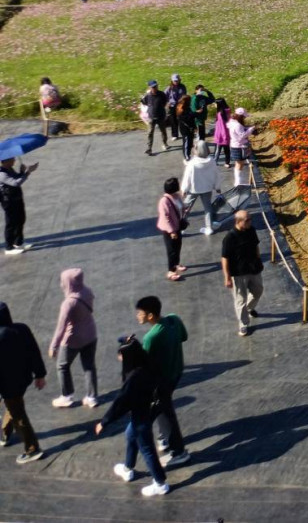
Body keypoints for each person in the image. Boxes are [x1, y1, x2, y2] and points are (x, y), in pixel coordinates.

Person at [94, 340, 169, 496]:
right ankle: (128, 468)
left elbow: (121, 402)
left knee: (147, 449)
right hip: (150, 410)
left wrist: (104, 422)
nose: (119, 358)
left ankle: (160, 483)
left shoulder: (134, 377)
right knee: (130, 434)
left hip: (141, 416)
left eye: (121, 355)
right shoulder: (148, 365)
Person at [136, 296, 189, 467]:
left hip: (161, 380)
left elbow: (143, 363)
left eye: (140, 313)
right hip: (176, 371)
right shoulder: (174, 319)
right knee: (162, 408)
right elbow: (184, 337)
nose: (138, 316)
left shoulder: (151, 337)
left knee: (165, 411)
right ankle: (164, 438)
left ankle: (178, 451)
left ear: (150, 316)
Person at [0, 302, 47, 464]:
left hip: (7, 385)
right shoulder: (22, 329)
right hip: (23, 379)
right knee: (14, 405)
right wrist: (40, 375)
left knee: (18, 414)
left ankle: (32, 448)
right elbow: (34, 352)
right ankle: (5, 434)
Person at [47, 268, 99, 408]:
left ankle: (67, 395)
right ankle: (92, 397)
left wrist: (54, 345)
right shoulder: (87, 291)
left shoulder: (68, 303)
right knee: (89, 366)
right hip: (91, 334)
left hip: (73, 339)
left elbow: (61, 327)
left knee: (62, 366)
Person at [221, 210, 264, 336]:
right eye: (247, 220)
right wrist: (227, 277)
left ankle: (249, 308)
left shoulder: (251, 230)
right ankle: (243, 324)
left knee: (258, 291)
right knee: (240, 299)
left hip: (253, 269)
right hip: (239, 273)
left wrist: (258, 259)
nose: (250, 222)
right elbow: (225, 258)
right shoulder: (230, 237)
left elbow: (256, 245)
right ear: (239, 222)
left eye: (250, 219)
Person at [181, 141, 224, 235]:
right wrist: (217, 187)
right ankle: (209, 228)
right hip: (207, 189)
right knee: (208, 208)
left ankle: (180, 227)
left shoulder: (192, 163)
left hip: (194, 189)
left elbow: (187, 177)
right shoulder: (212, 161)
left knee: (186, 208)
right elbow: (216, 175)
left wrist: (184, 189)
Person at [1, 155, 37, 254]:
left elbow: (17, 177)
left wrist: (22, 171)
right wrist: (27, 173)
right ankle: (9, 247)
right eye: (12, 159)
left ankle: (19, 242)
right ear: (6, 161)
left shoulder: (10, 169)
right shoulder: (2, 174)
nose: (14, 160)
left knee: (20, 219)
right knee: (11, 223)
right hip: (8, 201)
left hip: (16, 198)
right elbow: (15, 183)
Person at [157, 178, 187, 282]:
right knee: (171, 250)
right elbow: (166, 218)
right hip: (169, 230)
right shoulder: (164, 201)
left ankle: (176, 264)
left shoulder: (177, 196)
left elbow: (181, 206)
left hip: (177, 226)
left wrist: (184, 208)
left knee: (178, 246)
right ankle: (171, 271)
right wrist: (172, 231)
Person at [141, 81, 170, 156]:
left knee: (163, 131)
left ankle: (165, 143)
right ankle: (149, 148)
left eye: (156, 86)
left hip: (161, 116)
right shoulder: (148, 95)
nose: (155, 88)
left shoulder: (162, 94)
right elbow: (144, 102)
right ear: (150, 88)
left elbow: (165, 102)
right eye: (153, 87)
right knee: (150, 133)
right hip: (151, 117)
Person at [228, 107, 255, 188]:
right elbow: (241, 136)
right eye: (244, 116)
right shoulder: (238, 125)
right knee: (240, 163)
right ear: (241, 116)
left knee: (238, 163)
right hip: (239, 146)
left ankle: (238, 181)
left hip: (234, 145)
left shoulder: (232, 122)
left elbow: (238, 132)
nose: (245, 118)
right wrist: (250, 130)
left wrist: (245, 128)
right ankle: (238, 182)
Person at [164, 74, 187, 142]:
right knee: (173, 121)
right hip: (172, 106)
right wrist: (167, 102)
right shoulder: (169, 88)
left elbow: (184, 95)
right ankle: (174, 135)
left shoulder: (182, 87)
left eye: (177, 81)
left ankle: (184, 133)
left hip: (180, 106)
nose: (176, 82)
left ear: (179, 80)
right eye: (174, 81)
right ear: (172, 81)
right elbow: (164, 95)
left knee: (181, 120)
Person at [211, 98, 232, 167]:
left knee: (217, 150)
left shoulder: (220, 114)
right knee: (227, 150)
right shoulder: (227, 111)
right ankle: (227, 163)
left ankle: (215, 161)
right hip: (227, 134)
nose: (214, 105)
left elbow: (221, 126)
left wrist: (221, 135)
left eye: (215, 104)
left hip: (220, 135)